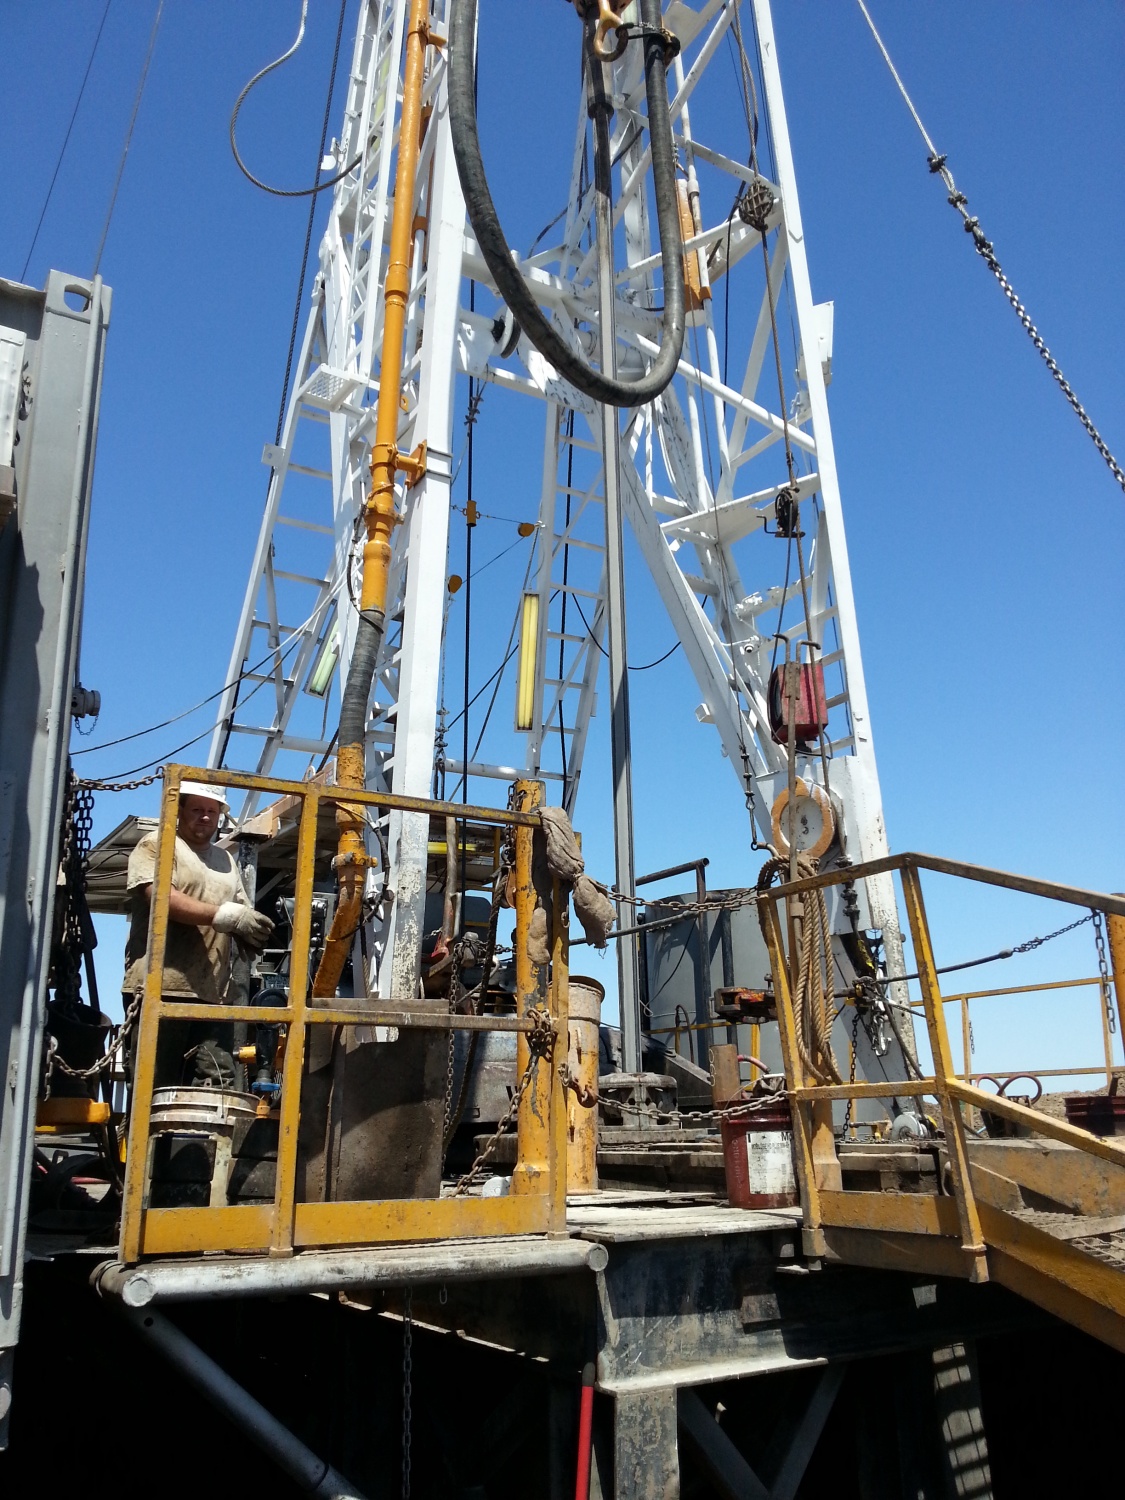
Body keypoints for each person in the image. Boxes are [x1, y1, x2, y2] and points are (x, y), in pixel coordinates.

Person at [123, 781, 273, 1087]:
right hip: (161, 987)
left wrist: (249, 929)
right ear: (179, 811)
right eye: (196, 810)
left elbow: (240, 909)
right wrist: (225, 916)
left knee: (216, 1082)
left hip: (212, 995)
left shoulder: (225, 860)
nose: (205, 817)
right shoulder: (158, 845)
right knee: (155, 1085)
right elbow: (161, 898)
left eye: (211, 811)